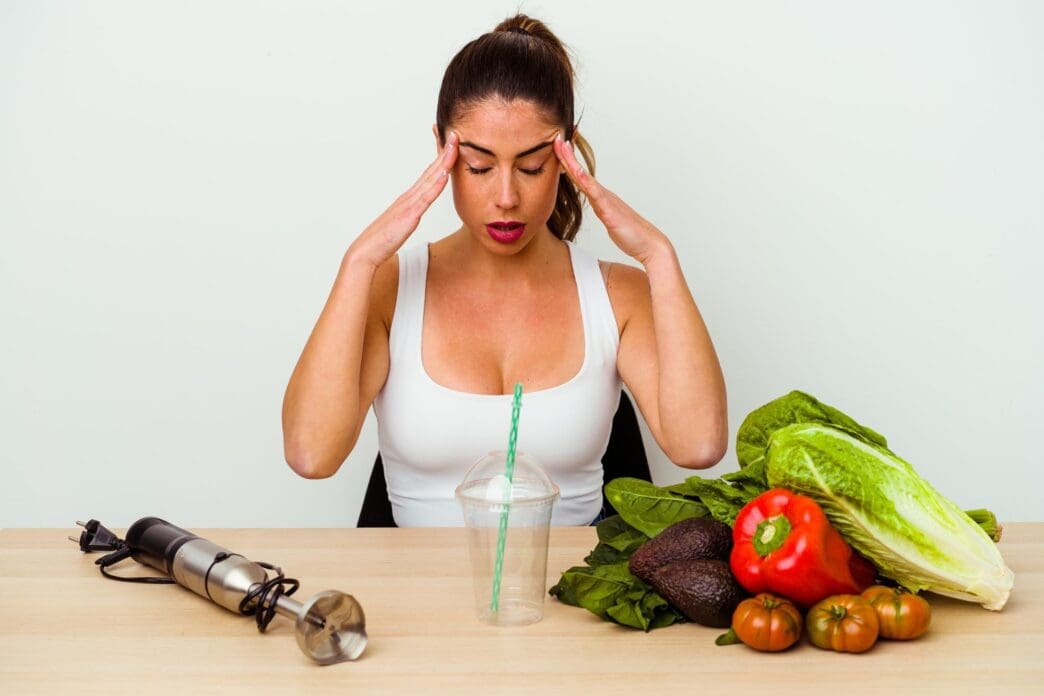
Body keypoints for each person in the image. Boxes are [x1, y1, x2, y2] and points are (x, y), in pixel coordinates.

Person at [281, 14, 727, 526]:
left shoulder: (617, 296)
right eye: (479, 167)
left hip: (566, 602)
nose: (507, 197)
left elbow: (699, 444)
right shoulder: (389, 289)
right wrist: (359, 262)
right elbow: (310, 454)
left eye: (532, 167)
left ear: (565, 155)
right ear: (443, 151)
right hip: (411, 600)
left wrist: (659, 256)